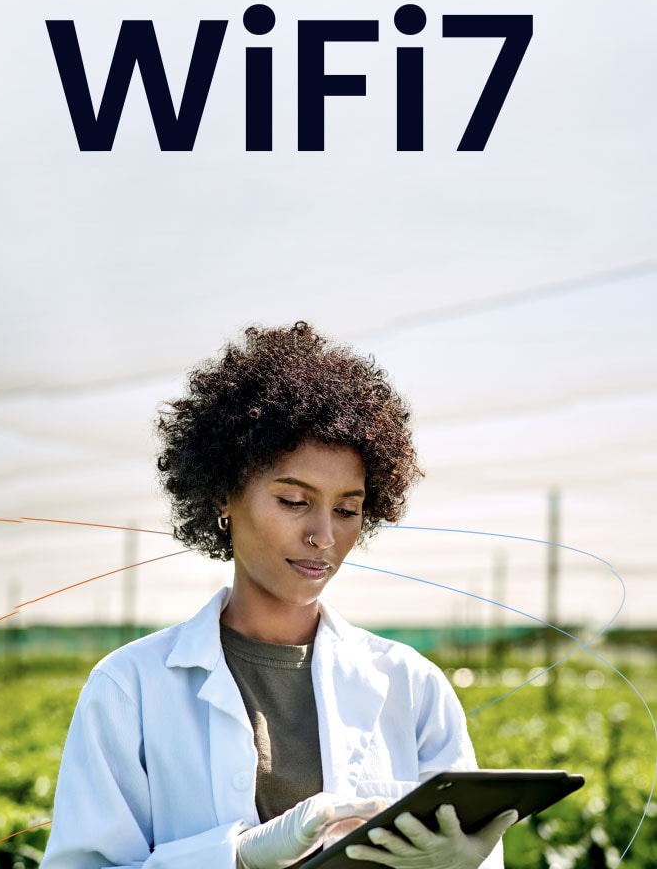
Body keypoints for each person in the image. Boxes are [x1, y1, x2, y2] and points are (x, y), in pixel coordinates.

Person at [41, 322, 516, 869]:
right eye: (294, 500)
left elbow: (477, 853)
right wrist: (235, 859)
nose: (325, 535)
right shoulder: (130, 689)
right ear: (223, 494)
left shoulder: (412, 685)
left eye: (346, 509)